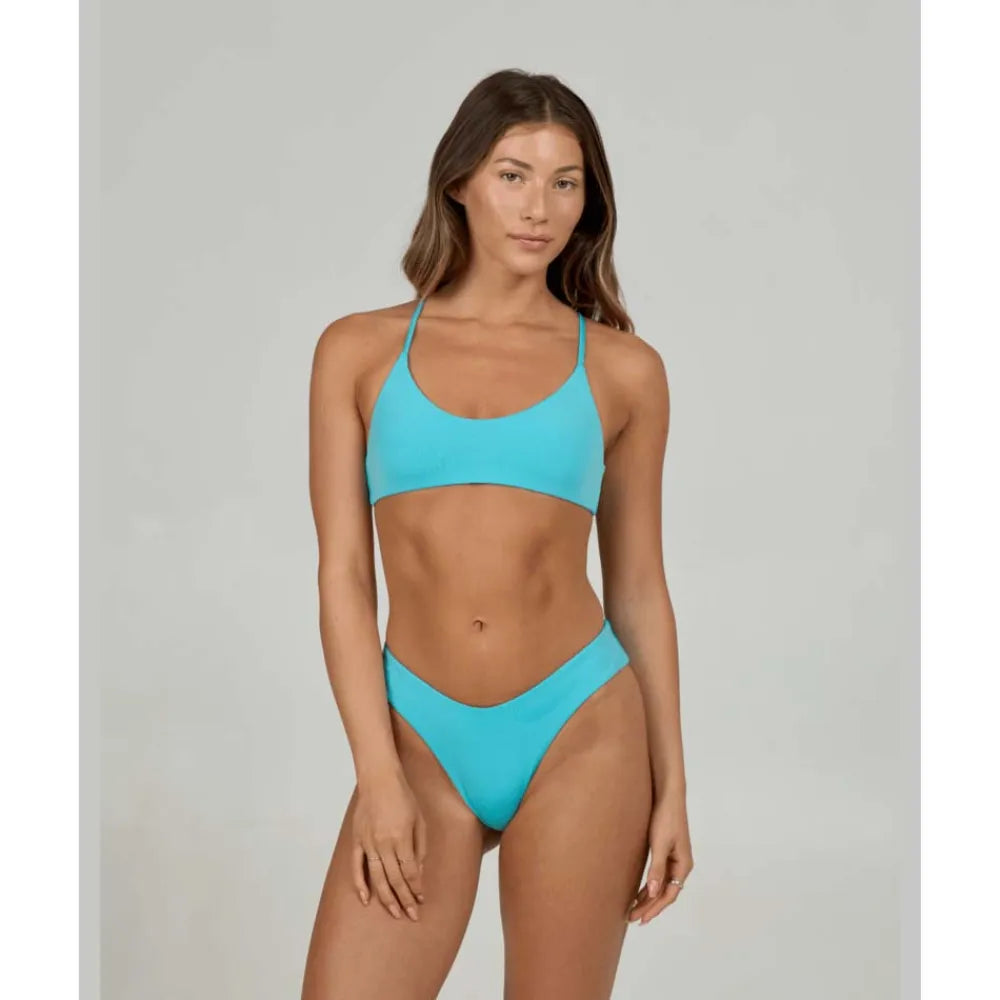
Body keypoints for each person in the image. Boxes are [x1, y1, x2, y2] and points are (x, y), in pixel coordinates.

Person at [300, 68, 692, 1000]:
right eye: (514, 175)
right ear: (460, 182)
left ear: (589, 202)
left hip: (582, 728)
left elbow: (639, 586)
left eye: (566, 182)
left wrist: (673, 784)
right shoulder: (357, 350)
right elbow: (344, 576)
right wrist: (377, 776)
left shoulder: (625, 370)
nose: (538, 207)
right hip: (417, 736)